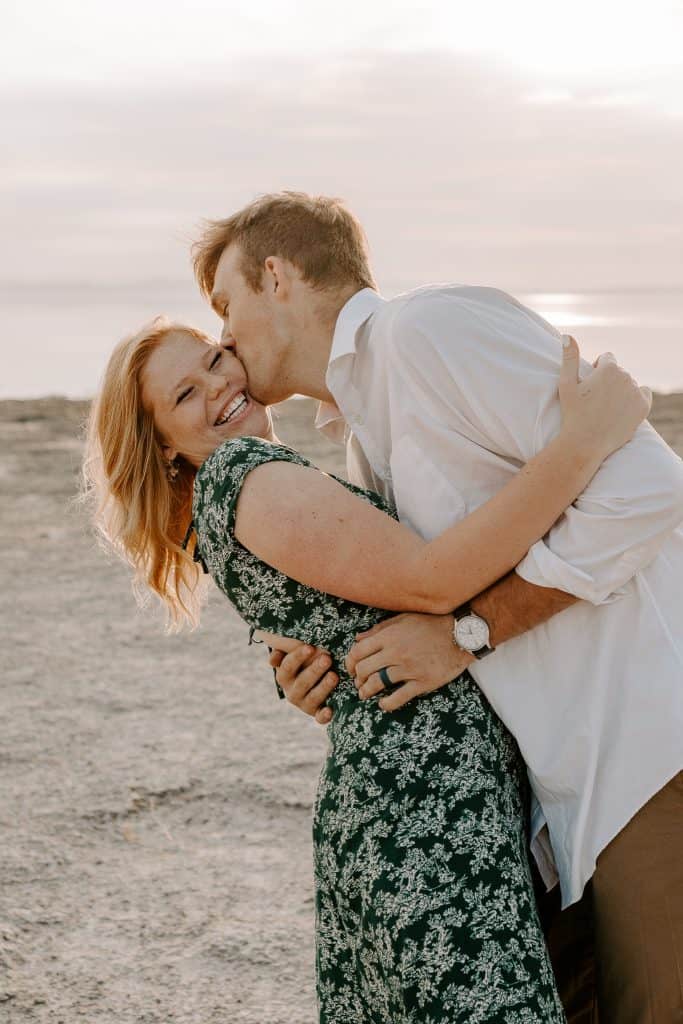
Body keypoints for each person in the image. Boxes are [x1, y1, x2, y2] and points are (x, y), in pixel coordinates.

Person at [191, 191, 683, 1023]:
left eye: (225, 304)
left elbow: (646, 486)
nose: (224, 338)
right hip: (560, 789)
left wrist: (471, 632)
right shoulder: (364, 426)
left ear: (276, 275)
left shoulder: (429, 333)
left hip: (646, 743)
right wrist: (334, 668)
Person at [85, 316, 645, 1023]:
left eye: (215, 358)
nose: (220, 383)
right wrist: (583, 443)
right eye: (186, 394)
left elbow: (337, 623)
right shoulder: (240, 472)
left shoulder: (237, 493)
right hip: (426, 813)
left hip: (420, 804)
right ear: (163, 443)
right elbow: (433, 580)